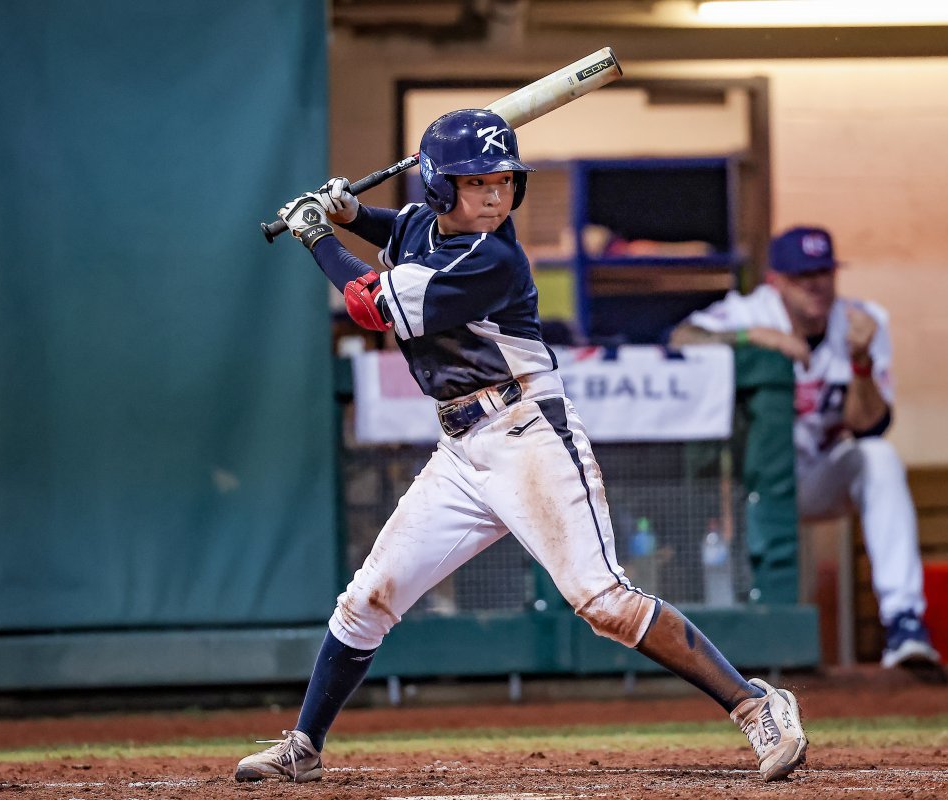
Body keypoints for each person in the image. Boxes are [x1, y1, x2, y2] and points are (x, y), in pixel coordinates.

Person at [233, 109, 807, 784]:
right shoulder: (428, 224)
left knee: (604, 602)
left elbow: (369, 304)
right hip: (461, 448)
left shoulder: (491, 257)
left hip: (527, 434)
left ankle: (756, 703)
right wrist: (353, 212)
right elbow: (403, 230)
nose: (497, 196)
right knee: (367, 599)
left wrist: (315, 237)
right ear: (441, 190)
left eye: (504, 182)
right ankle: (304, 745)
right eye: (478, 183)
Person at [670, 226, 940, 671]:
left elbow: (868, 424)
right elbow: (681, 338)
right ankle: (728, 656)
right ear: (777, 280)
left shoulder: (863, 321)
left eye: (824, 271)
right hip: (752, 485)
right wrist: (751, 336)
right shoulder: (750, 311)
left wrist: (861, 362)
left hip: (818, 475)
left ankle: (904, 621)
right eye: (802, 275)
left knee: (880, 458)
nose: (816, 283)